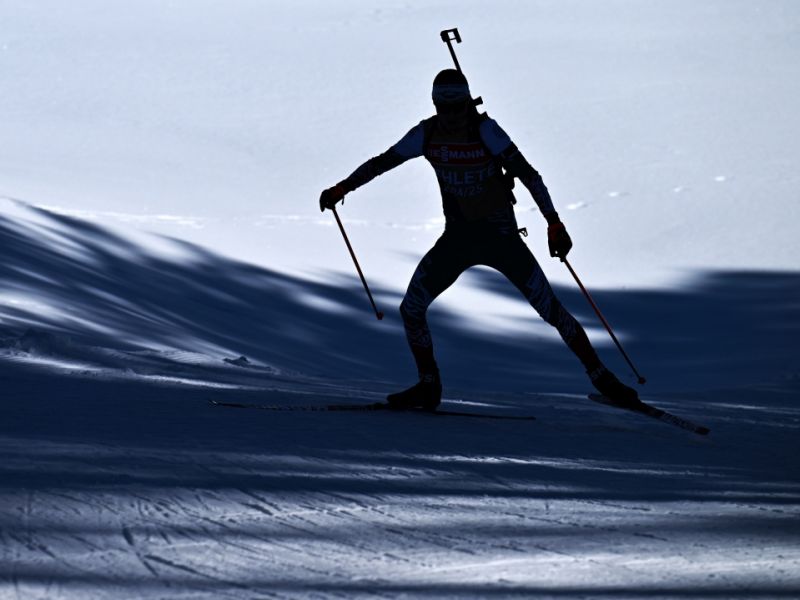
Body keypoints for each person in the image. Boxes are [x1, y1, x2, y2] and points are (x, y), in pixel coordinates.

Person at [320, 69, 639, 411]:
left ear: (468, 103)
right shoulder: (427, 133)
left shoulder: (487, 130)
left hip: (501, 238)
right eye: (445, 109)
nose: (453, 116)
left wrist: (554, 223)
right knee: (411, 309)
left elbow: (530, 175)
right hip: (458, 239)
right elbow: (383, 162)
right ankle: (429, 387)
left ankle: (603, 379)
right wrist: (343, 188)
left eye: (458, 107)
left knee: (550, 310)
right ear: (435, 106)